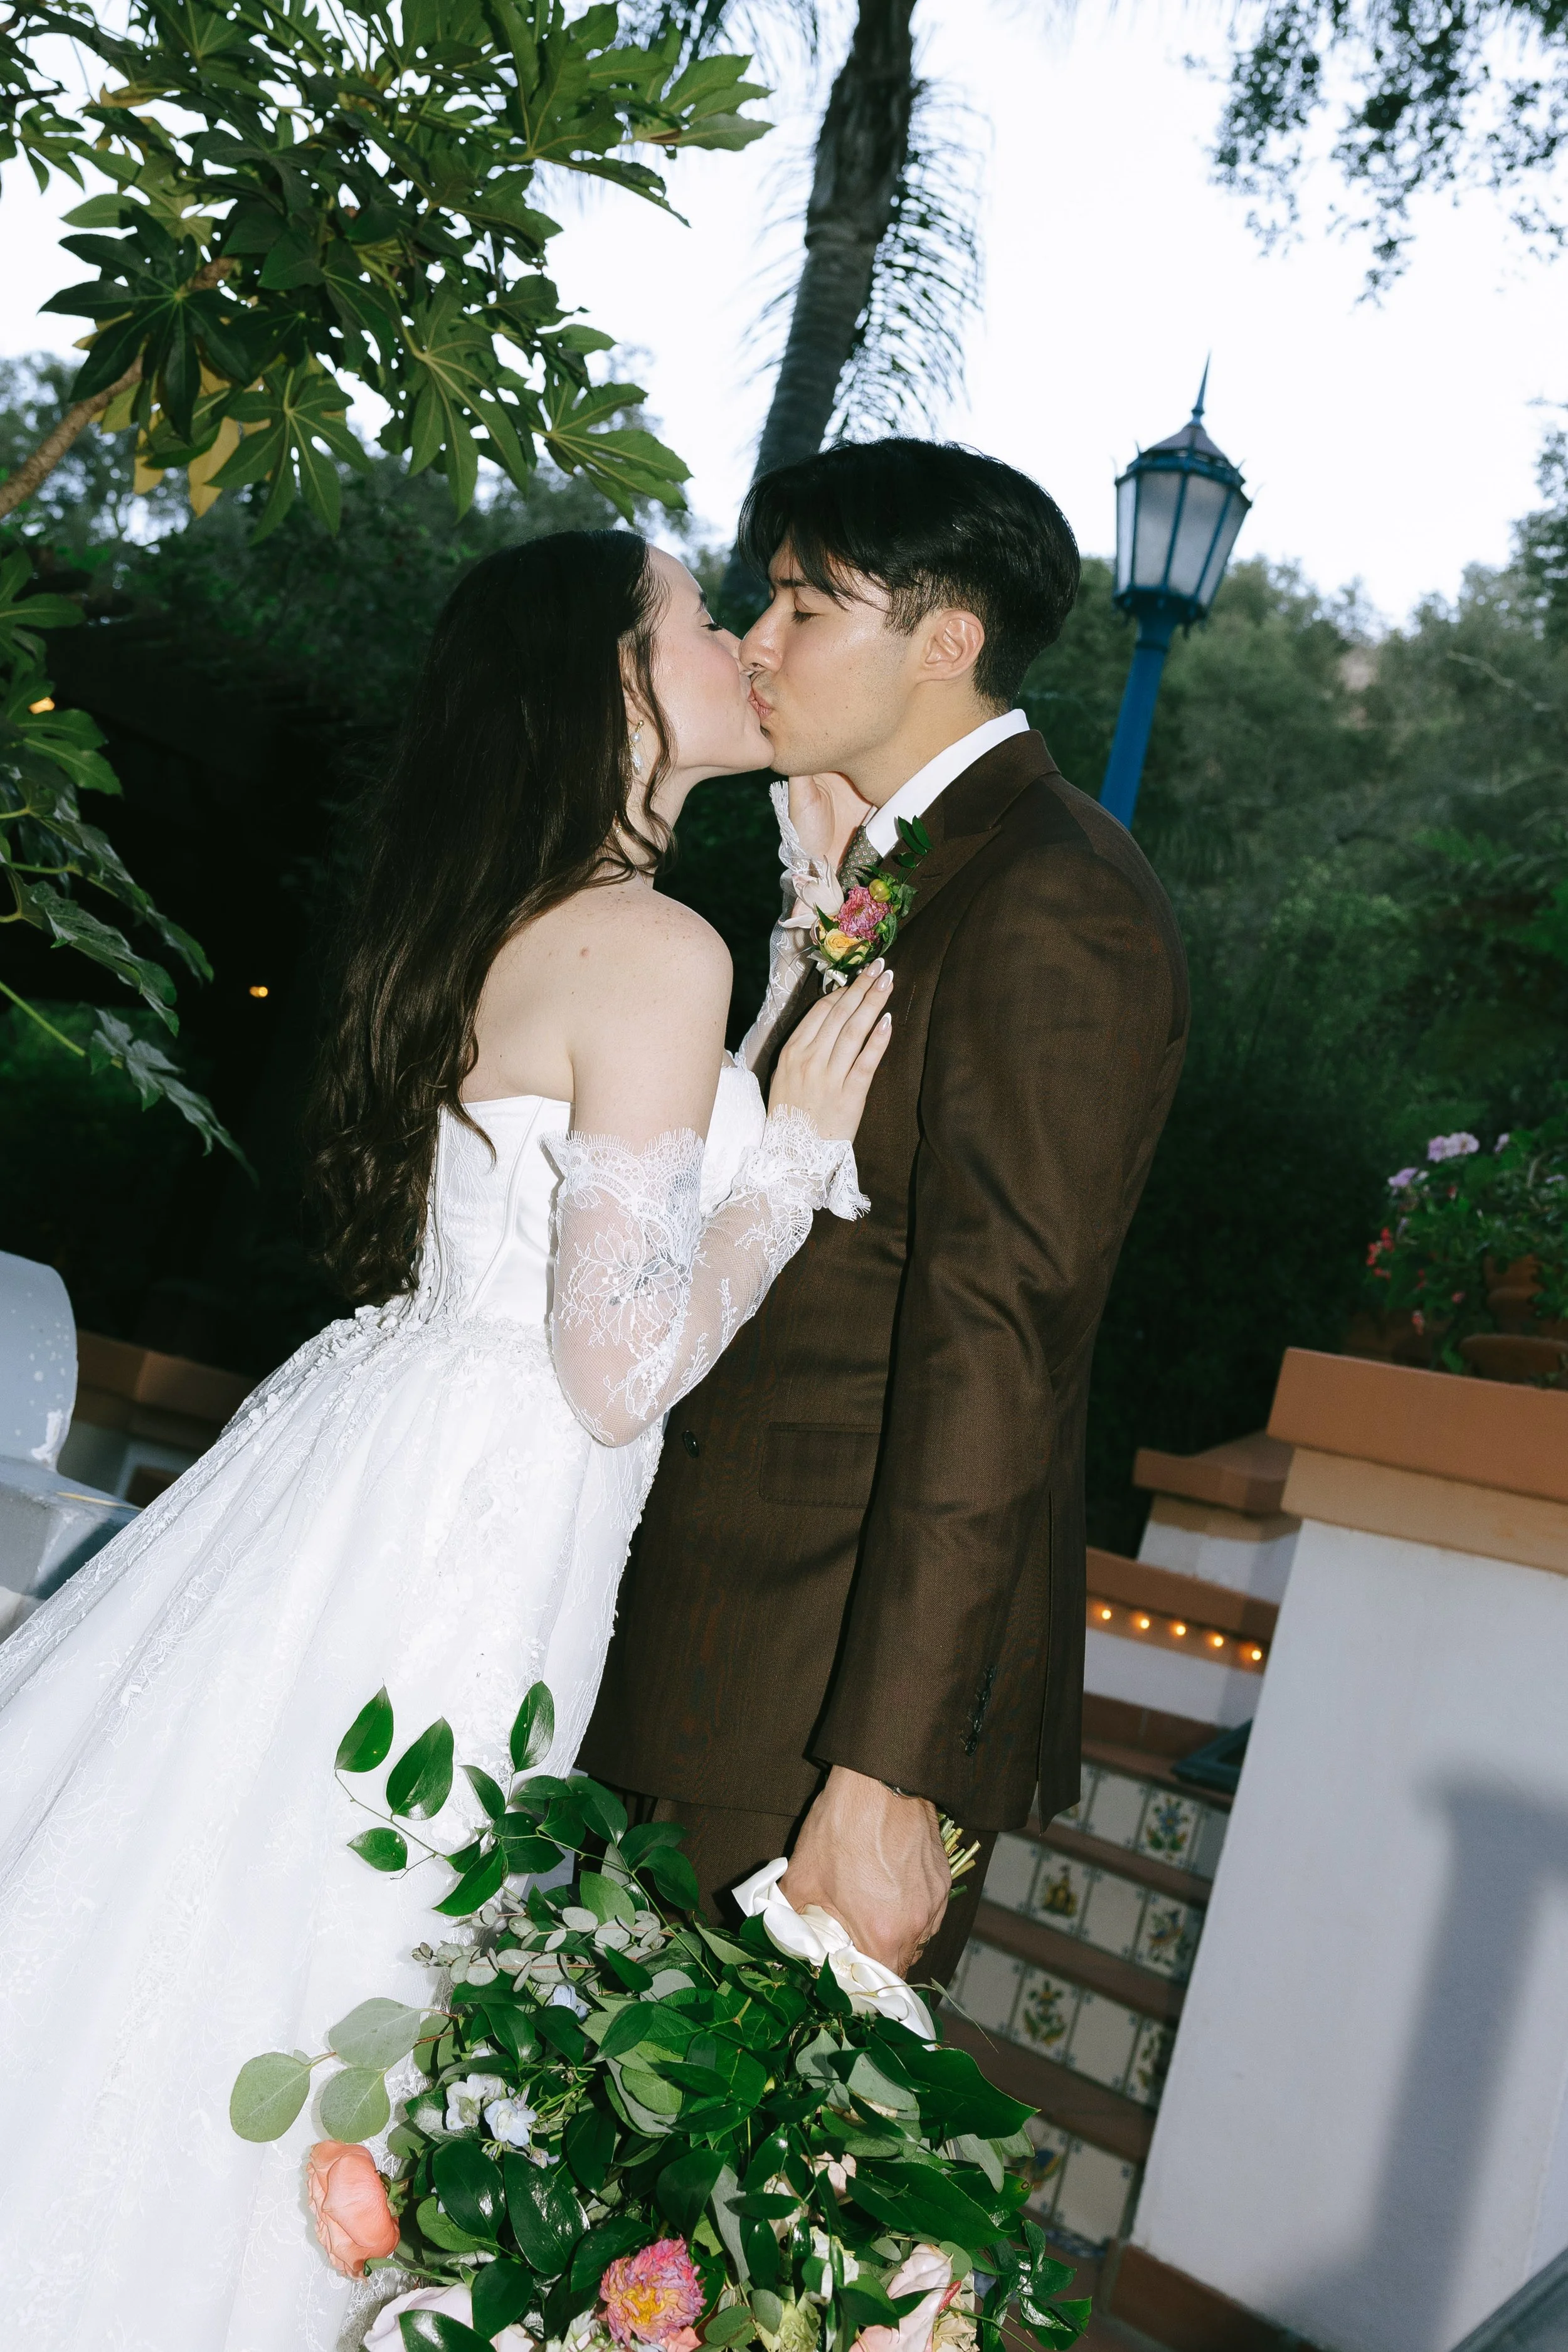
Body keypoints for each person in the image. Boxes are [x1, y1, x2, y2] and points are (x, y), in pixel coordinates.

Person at [0, 530, 893, 2352]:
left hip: (383, 1451)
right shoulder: (646, 942)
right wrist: (793, 1154)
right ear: (609, 685)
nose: (736, 637)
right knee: (354, 1919)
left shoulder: (537, 908)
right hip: (483, 1510)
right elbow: (615, 1367)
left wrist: (804, 956)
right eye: (695, 617)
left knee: (248, 1888)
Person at [583, 438, 1190, 1988]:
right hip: (696, 1649)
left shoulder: (1057, 893)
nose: (757, 644)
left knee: (696, 2221)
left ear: (945, 641)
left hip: (813, 1703)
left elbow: (1002, 1346)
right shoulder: (866, 863)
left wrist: (881, 1768)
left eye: (804, 607)